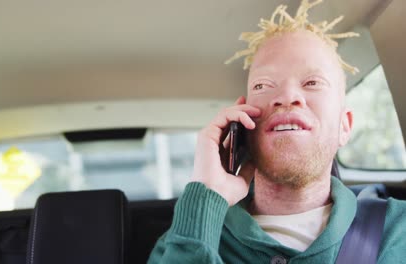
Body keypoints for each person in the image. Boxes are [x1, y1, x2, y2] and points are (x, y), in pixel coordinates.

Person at [148, 0, 406, 263]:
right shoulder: (183, 242)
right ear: (241, 122)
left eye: (312, 82)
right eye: (263, 85)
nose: (287, 96)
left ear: (344, 125)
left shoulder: (398, 230)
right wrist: (206, 193)